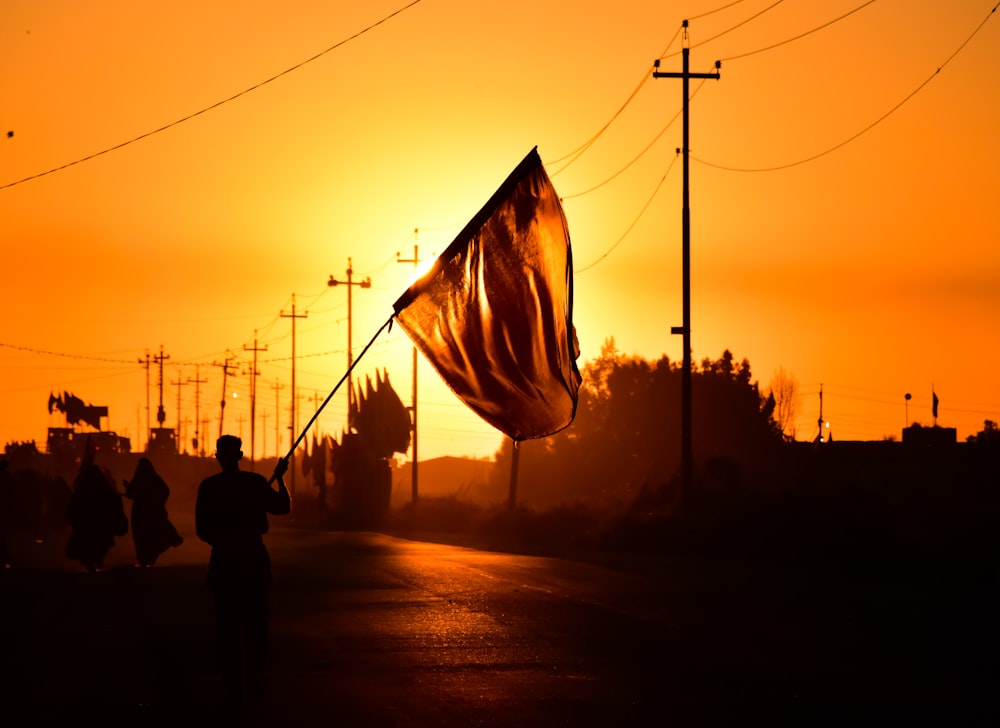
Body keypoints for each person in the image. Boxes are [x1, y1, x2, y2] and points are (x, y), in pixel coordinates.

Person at [195, 435, 290, 711]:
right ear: (240, 455)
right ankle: (251, 675)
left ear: (218, 457)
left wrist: (225, 540)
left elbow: (202, 529)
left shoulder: (210, 487)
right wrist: (280, 478)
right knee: (256, 623)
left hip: (224, 560)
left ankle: (233, 683)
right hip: (251, 559)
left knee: (227, 626)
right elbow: (283, 507)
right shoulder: (255, 483)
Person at [65, 461, 128, 573]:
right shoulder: (101, 486)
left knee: (91, 544)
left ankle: (92, 563)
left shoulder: (83, 488)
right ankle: (94, 562)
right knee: (97, 544)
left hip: (89, 524)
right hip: (98, 523)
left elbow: (74, 505)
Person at [124, 457, 183, 567]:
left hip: (140, 514)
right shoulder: (155, 479)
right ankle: (148, 558)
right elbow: (165, 491)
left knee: (142, 536)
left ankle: (144, 559)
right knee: (151, 535)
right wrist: (159, 503)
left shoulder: (138, 479)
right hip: (151, 513)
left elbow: (131, 494)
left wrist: (128, 487)